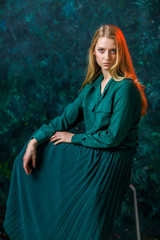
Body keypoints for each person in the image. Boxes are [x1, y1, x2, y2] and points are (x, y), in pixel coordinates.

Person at [3, 24, 148, 240]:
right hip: (90, 151)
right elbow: (65, 118)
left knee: (58, 152)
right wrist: (34, 140)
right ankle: (36, 231)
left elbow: (112, 138)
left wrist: (74, 138)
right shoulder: (92, 85)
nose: (107, 56)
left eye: (113, 50)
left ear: (121, 53)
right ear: (94, 52)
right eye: (101, 50)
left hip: (112, 159)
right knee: (37, 151)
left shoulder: (125, 87)